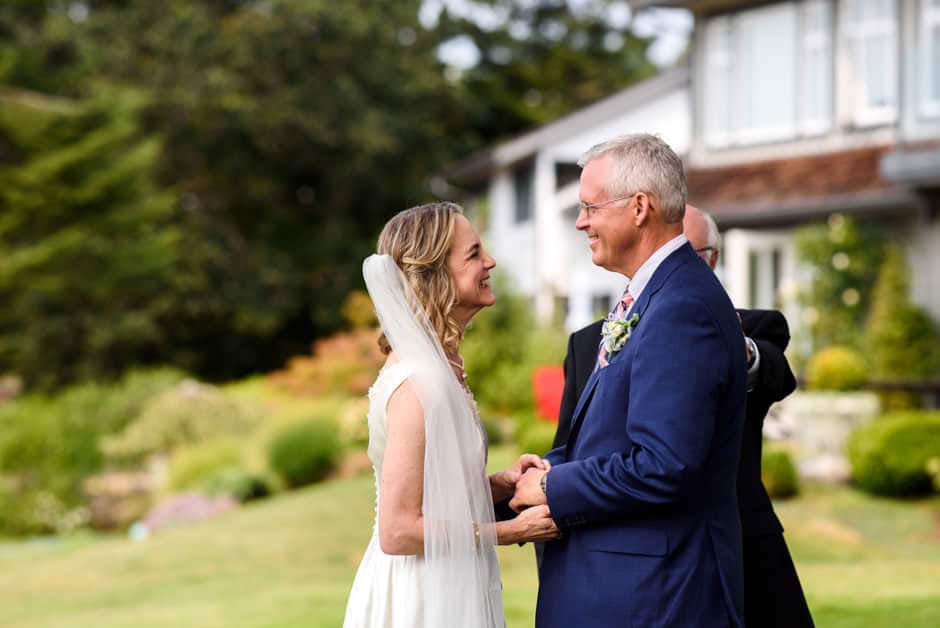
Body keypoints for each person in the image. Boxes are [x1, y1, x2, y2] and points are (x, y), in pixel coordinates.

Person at [510, 134, 748, 627]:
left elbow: (665, 464)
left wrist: (554, 489)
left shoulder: (681, 306)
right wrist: (545, 470)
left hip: (656, 596)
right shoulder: (654, 295)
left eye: (590, 207)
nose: (581, 222)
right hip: (627, 587)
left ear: (640, 207)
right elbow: (614, 434)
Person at [552, 205, 815, 626]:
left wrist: (731, 343)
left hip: (743, 541)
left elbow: (777, 375)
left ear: (712, 260)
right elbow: (572, 449)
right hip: (641, 558)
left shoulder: (752, 328)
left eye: (689, 255)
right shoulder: (590, 343)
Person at [343, 202, 559, 628]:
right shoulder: (417, 382)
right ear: (436, 275)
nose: (490, 261)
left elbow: (434, 494)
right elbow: (399, 531)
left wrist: (498, 484)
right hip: (421, 597)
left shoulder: (440, 367)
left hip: (452, 577)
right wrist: (511, 532)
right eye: (474, 253)